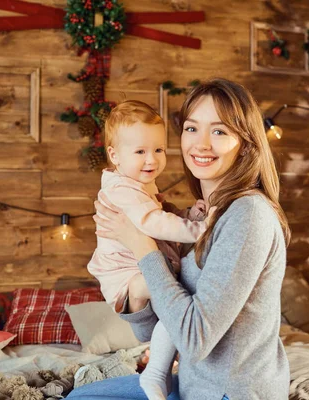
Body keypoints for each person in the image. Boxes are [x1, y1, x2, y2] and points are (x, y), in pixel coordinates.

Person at [69, 78, 291, 400]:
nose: (201, 144)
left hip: (230, 392)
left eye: (219, 131)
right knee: (80, 398)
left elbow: (193, 340)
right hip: (191, 385)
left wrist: (144, 249)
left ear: (244, 142)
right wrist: (134, 288)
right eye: (191, 128)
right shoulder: (193, 216)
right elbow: (148, 329)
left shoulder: (248, 215)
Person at [87, 99, 212, 400]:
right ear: (114, 155)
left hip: (137, 267)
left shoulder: (140, 185)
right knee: (174, 291)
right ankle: (156, 373)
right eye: (140, 151)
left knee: (172, 298)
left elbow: (161, 218)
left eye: (158, 150)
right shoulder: (120, 188)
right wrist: (199, 228)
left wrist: (188, 216)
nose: (151, 159)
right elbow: (152, 223)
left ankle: (158, 372)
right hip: (125, 273)